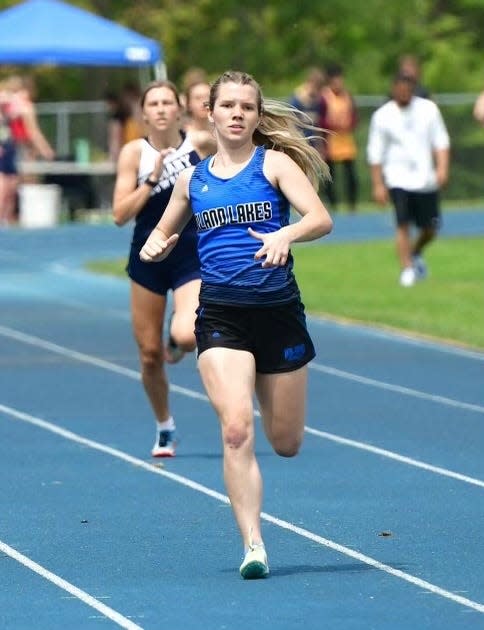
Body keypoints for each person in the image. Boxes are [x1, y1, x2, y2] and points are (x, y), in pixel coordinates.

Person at [139, 70, 333, 578]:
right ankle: (253, 546)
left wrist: (285, 234)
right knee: (235, 429)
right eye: (228, 106)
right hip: (221, 314)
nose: (237, 114)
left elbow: (320, 218)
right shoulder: (193, 179)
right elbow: (161, 234)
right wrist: (154, 245)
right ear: (211, 112)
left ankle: (269, 430)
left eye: (247, 106)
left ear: (256, 114)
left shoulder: (275, 165)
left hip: (278, 313)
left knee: (286, 443)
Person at [112, 80, 214, 458]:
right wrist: (152, 178)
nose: (159, 109)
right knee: (150, 354)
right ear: (143, 113)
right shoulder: (132, 154)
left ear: (179, 108)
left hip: (191, 254)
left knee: (187, 337)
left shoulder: (199, 143)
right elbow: (120, 215)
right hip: (148, 258)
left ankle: (178, 336)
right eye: (152, 103)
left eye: (166, 102)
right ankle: (165, 425)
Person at [367, 73, 450, 287]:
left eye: (407, 89)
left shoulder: (428, 110)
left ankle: (415, 252)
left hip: (425, 179)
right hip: (397, 179)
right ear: (394, 90)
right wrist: (378, 184)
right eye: (399, 89)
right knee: (402, 224)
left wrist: (442, 168)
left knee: (430, 228)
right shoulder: (383, 115)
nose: (403, 93)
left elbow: (441, 141)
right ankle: (407, 269)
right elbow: (375, 152)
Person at [319, 63, 359, 212]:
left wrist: (350, 124)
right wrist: (330, 126)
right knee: (331, 174)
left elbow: (354, 115)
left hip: (346, 139)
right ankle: (333, 203)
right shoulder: (325, 97)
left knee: (350, 174)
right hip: (331, 139)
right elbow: (320, 118)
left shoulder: (347, 95)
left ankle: (352, 204)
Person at [289, 67, 326, 152]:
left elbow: (317, 126)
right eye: (318, 88)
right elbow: (290, 123)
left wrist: (320, 146)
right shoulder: (296, 100)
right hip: (299, 142)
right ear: (311, 83)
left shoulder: (317, 101)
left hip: (312, 144)